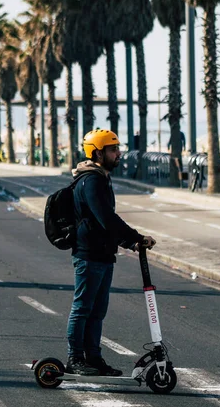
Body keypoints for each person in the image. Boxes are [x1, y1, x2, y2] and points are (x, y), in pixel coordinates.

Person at [66, 129, 156, 376]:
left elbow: (105, 224)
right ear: (97, 152)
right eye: (113, 149)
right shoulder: (91, 181)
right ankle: (75, 358)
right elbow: (106, 219)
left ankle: (93, 358)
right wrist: (136, 237)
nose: (118, 154)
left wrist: (130, 244)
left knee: (97, 311)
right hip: (89, 255)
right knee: (83, 308)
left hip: (103, 254)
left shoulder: (101, 178)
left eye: (118, 149)